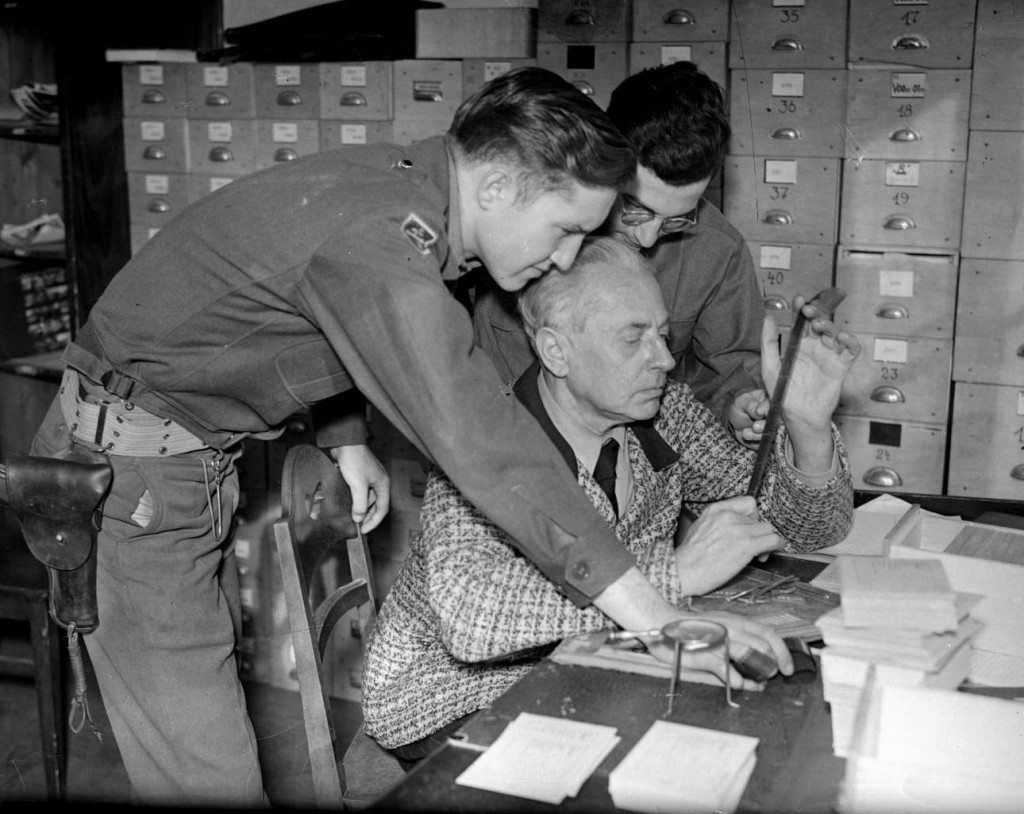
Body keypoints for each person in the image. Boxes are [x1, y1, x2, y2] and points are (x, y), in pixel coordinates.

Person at [28, 68, 650, 805]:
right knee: (206, 774)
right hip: (133, 478)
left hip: (177, 459)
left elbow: (308, 306)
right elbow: (478, 432)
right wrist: (654, 610)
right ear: (496, 187)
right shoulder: (381, 233)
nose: (569, 257)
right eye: (568, 229)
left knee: (201, 733)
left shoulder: (405, 186)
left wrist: (346, 435)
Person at [362, 236, 858, 759]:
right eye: (633, 339)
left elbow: (802, 528)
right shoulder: (484, 443)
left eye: (663, 336)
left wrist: (807, 428)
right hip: (449, 697)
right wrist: (675, 574)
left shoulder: (663, 413)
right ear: (556, 350)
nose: (663, 359)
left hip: (592, 661)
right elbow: (473, 622)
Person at [473, 61, 768, 445]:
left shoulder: (717, 250)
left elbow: (730, 369)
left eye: (675, 219)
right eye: (634, 207)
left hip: (642, 459)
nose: (647, 237)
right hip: (513, 447)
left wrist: (739, 406)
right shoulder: (531, 223)